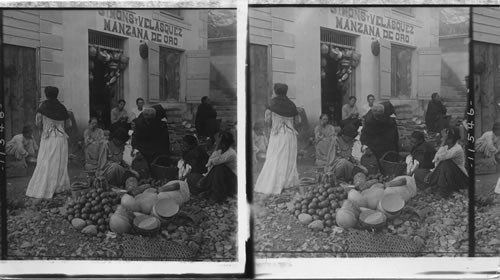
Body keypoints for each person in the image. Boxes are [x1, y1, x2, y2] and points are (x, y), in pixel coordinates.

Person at [26, 86, 71, 200]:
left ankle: (45, 189)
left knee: (46, 162)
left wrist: (47, 126)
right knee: (60, 163)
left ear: (46, 94)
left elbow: (38, 124)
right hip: (61, 139)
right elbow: (68, 124)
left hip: (49, 139)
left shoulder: (43, 107)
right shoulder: (62, 108)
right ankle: (58, 188)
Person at [254, 83, 300, 195]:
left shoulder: (271, 104)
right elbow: (297, 121)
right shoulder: (292, 105)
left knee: (275, 158)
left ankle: (274, 184)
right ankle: (287, 184)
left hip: (278, 135)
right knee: (288, 159)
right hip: (290, 136)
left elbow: (268, 121)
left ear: (276, 91)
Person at [425, 127, 468, 197]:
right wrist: (432, 172)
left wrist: (443, 142)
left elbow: (442, 157)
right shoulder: (446, 147)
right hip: (449, 175)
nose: (441, 139)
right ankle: (437, 186)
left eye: (443, 137)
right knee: (443, 164)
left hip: (460, 177)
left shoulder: (457, 149)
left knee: (446, 163)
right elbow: (436, 160)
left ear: (450, 139)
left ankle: (443, 189)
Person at [200, 131, 237, 203]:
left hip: (233, 179)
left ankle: (217, 195)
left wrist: (206, 177)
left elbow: (213, 162)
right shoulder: (219, 152)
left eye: (218, 141)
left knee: (219, 168)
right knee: (216, 169)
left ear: (224, 144)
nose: (217, 143)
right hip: (221, 178)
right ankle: (211, 190)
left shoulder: (231, 153)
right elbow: (209, 163)